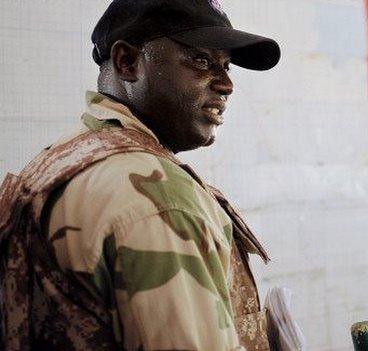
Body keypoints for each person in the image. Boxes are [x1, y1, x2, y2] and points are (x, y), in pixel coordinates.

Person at [0, 0, 280, 350]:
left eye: (226, 66)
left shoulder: (61, 159)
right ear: (128, 62)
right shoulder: (157, 197)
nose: (227, 85)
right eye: (201, 60)